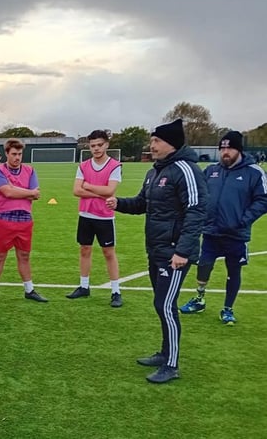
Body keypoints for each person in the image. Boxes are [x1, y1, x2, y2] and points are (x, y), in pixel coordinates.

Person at [106, 118, 207, 384]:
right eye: (152, 141)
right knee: (161, 304)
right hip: (156, 250)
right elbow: (142, 203)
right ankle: (165, 353)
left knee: (165, 305)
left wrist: (183, 251)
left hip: (174, 253)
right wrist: (118, 204)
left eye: (156, 141)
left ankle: (172, 365)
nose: (151, 146)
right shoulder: (155, 172)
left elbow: (196, 211)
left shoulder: (186, 170)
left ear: (171, 144)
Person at [179, 131, 267, 324]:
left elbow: (263, 199)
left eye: (229, 148)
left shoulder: (254, 172)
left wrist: (243, 220)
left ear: (239, 150)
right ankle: (200, 299)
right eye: (222, 148)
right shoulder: (211, 170)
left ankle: (228, 308)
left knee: (233, 270)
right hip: (210, 230)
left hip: (236, 234)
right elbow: (198, 193)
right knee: (203, 266)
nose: (225, 152)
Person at [0, 138, 48, 304]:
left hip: (24, 220)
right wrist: (27, 192)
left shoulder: (30, 170)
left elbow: (36, 193)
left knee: (24, 256)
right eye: (14, 154)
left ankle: (29, 290)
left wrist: (16, 189)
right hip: (3, 220)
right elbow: (7, 192)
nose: (17, 157)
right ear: (6, 154)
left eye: (20, 154)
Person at [68, 130, 123, 307]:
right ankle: (84, 286)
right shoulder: (83, 165)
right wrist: (100, 192)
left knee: (108, 253)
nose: (96, 148)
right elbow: (76, 190)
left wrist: (89, 187)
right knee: (85, 249)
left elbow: (110, 191)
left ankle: (116, 291)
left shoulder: (114, 165)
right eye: (93, 146)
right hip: (85, 215)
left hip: (105, 217)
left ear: (106, 145)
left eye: (99, 145)